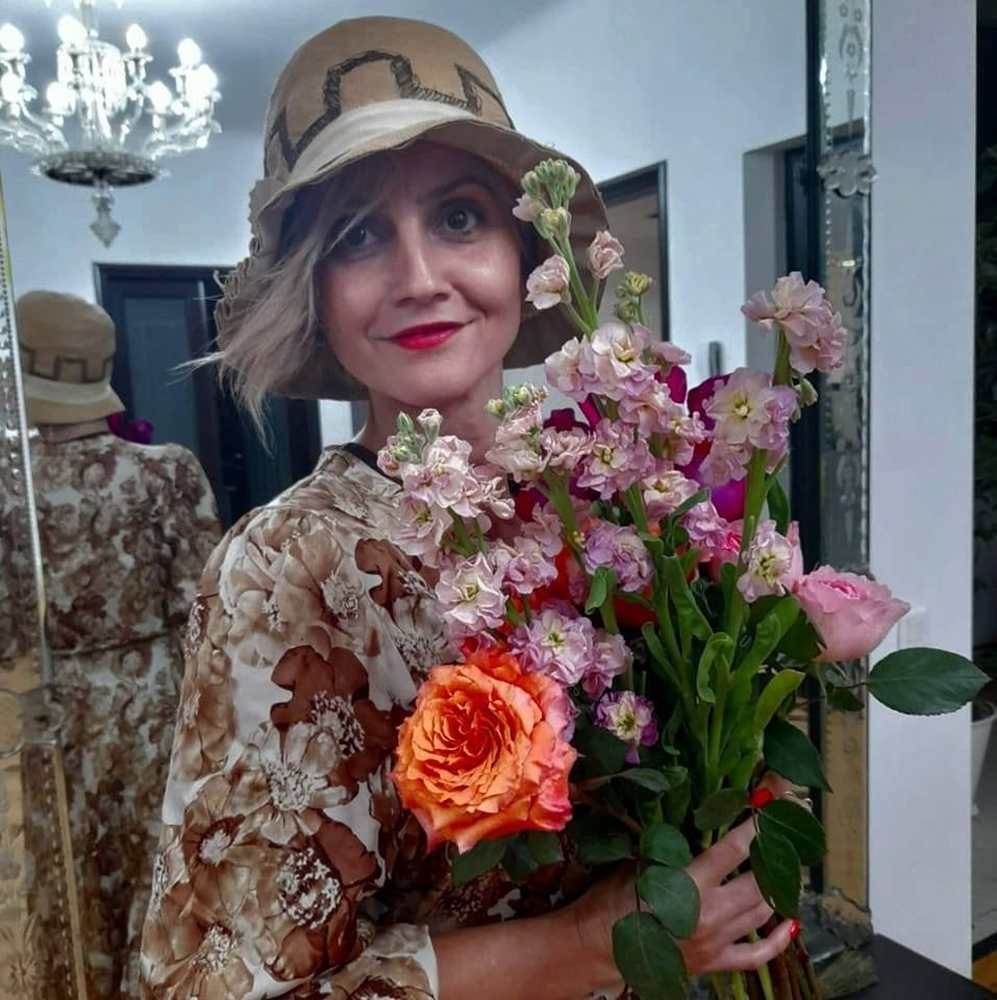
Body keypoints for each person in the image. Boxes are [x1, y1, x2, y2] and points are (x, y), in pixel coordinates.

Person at [139, 17, 797, 999]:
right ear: (313, 288)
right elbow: (223, 986)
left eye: (458, 217)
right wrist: (593, 944)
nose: (418, 279)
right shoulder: (286, 566)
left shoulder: (604, 497)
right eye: (358, 235)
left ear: (521, 253)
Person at [2, 290, 222, 998]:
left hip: (57, 707)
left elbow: (6, 631)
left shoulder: (8, 489)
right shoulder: (166, 471)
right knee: (153, 861)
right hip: (151, 697)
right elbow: (203, 611)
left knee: (70, 869)